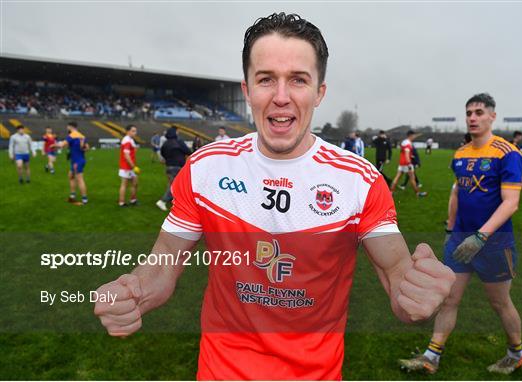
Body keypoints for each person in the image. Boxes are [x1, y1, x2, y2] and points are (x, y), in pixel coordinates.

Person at [94, 12, 455, 380]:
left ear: (319, 93)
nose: (281, 97)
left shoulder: (359, 181)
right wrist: (134, 291)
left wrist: (414, 295)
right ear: (247, 90)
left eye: (298, 80)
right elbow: (166, 258)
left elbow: (396, 273)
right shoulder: (205, 168)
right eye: (266, 79)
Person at [399, 93, 522, 375]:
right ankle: (431, 356)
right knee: (448, 298)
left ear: (492, 116)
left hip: (493, 243)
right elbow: (457, 192)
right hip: (459, 240)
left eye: (479, 112)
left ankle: (516, 353)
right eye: (469, 112)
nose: (472, 117)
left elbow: (511, 202)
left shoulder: (507, 153)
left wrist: (480, 237)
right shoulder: (461, 154)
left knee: (499, 302)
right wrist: (451, 228)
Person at [155, 127, 191, 211]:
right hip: (178, 166)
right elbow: (188, 151)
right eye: (177, 132)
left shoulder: (165, 143)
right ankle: (162, 201)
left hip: (169, 166)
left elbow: (162, 153)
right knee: (176, 186)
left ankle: (175, 200)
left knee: (172, 184)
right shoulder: (179, 141)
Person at [55, 121, 89, 205]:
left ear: (70, 127)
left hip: (77, 161)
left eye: (67, 127)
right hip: (78, 160)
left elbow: (62, 145)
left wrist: (53, 146)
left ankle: (84, 199)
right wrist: (82, 148)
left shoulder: (71, 135)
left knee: (80, 179)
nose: (67, 128)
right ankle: (73, 195)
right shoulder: (82, 136)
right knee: (71, 176)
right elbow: (87, 148)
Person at [390, 130, 427, 197]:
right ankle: (418, 193)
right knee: (412, 179)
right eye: (413, 136)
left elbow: (404, 152)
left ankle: (391, 192)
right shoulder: (408, 143)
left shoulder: (404, 142)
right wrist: (409, 164)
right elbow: (407, 154)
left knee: (397, 177)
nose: (414, 137)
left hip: (401, 163)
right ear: (410, 135)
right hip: (407, 164)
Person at [118, 125, 139, 207]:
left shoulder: (130, 140)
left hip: (130, 166)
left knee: (135, 183)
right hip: (126, 167)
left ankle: (133, 199)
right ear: (128, 131)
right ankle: (121, 202)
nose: (135, 132)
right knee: (124, 184)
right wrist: (133, 167)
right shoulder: (127, 140)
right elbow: (126, 155)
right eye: (133, 131)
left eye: (135, 131)